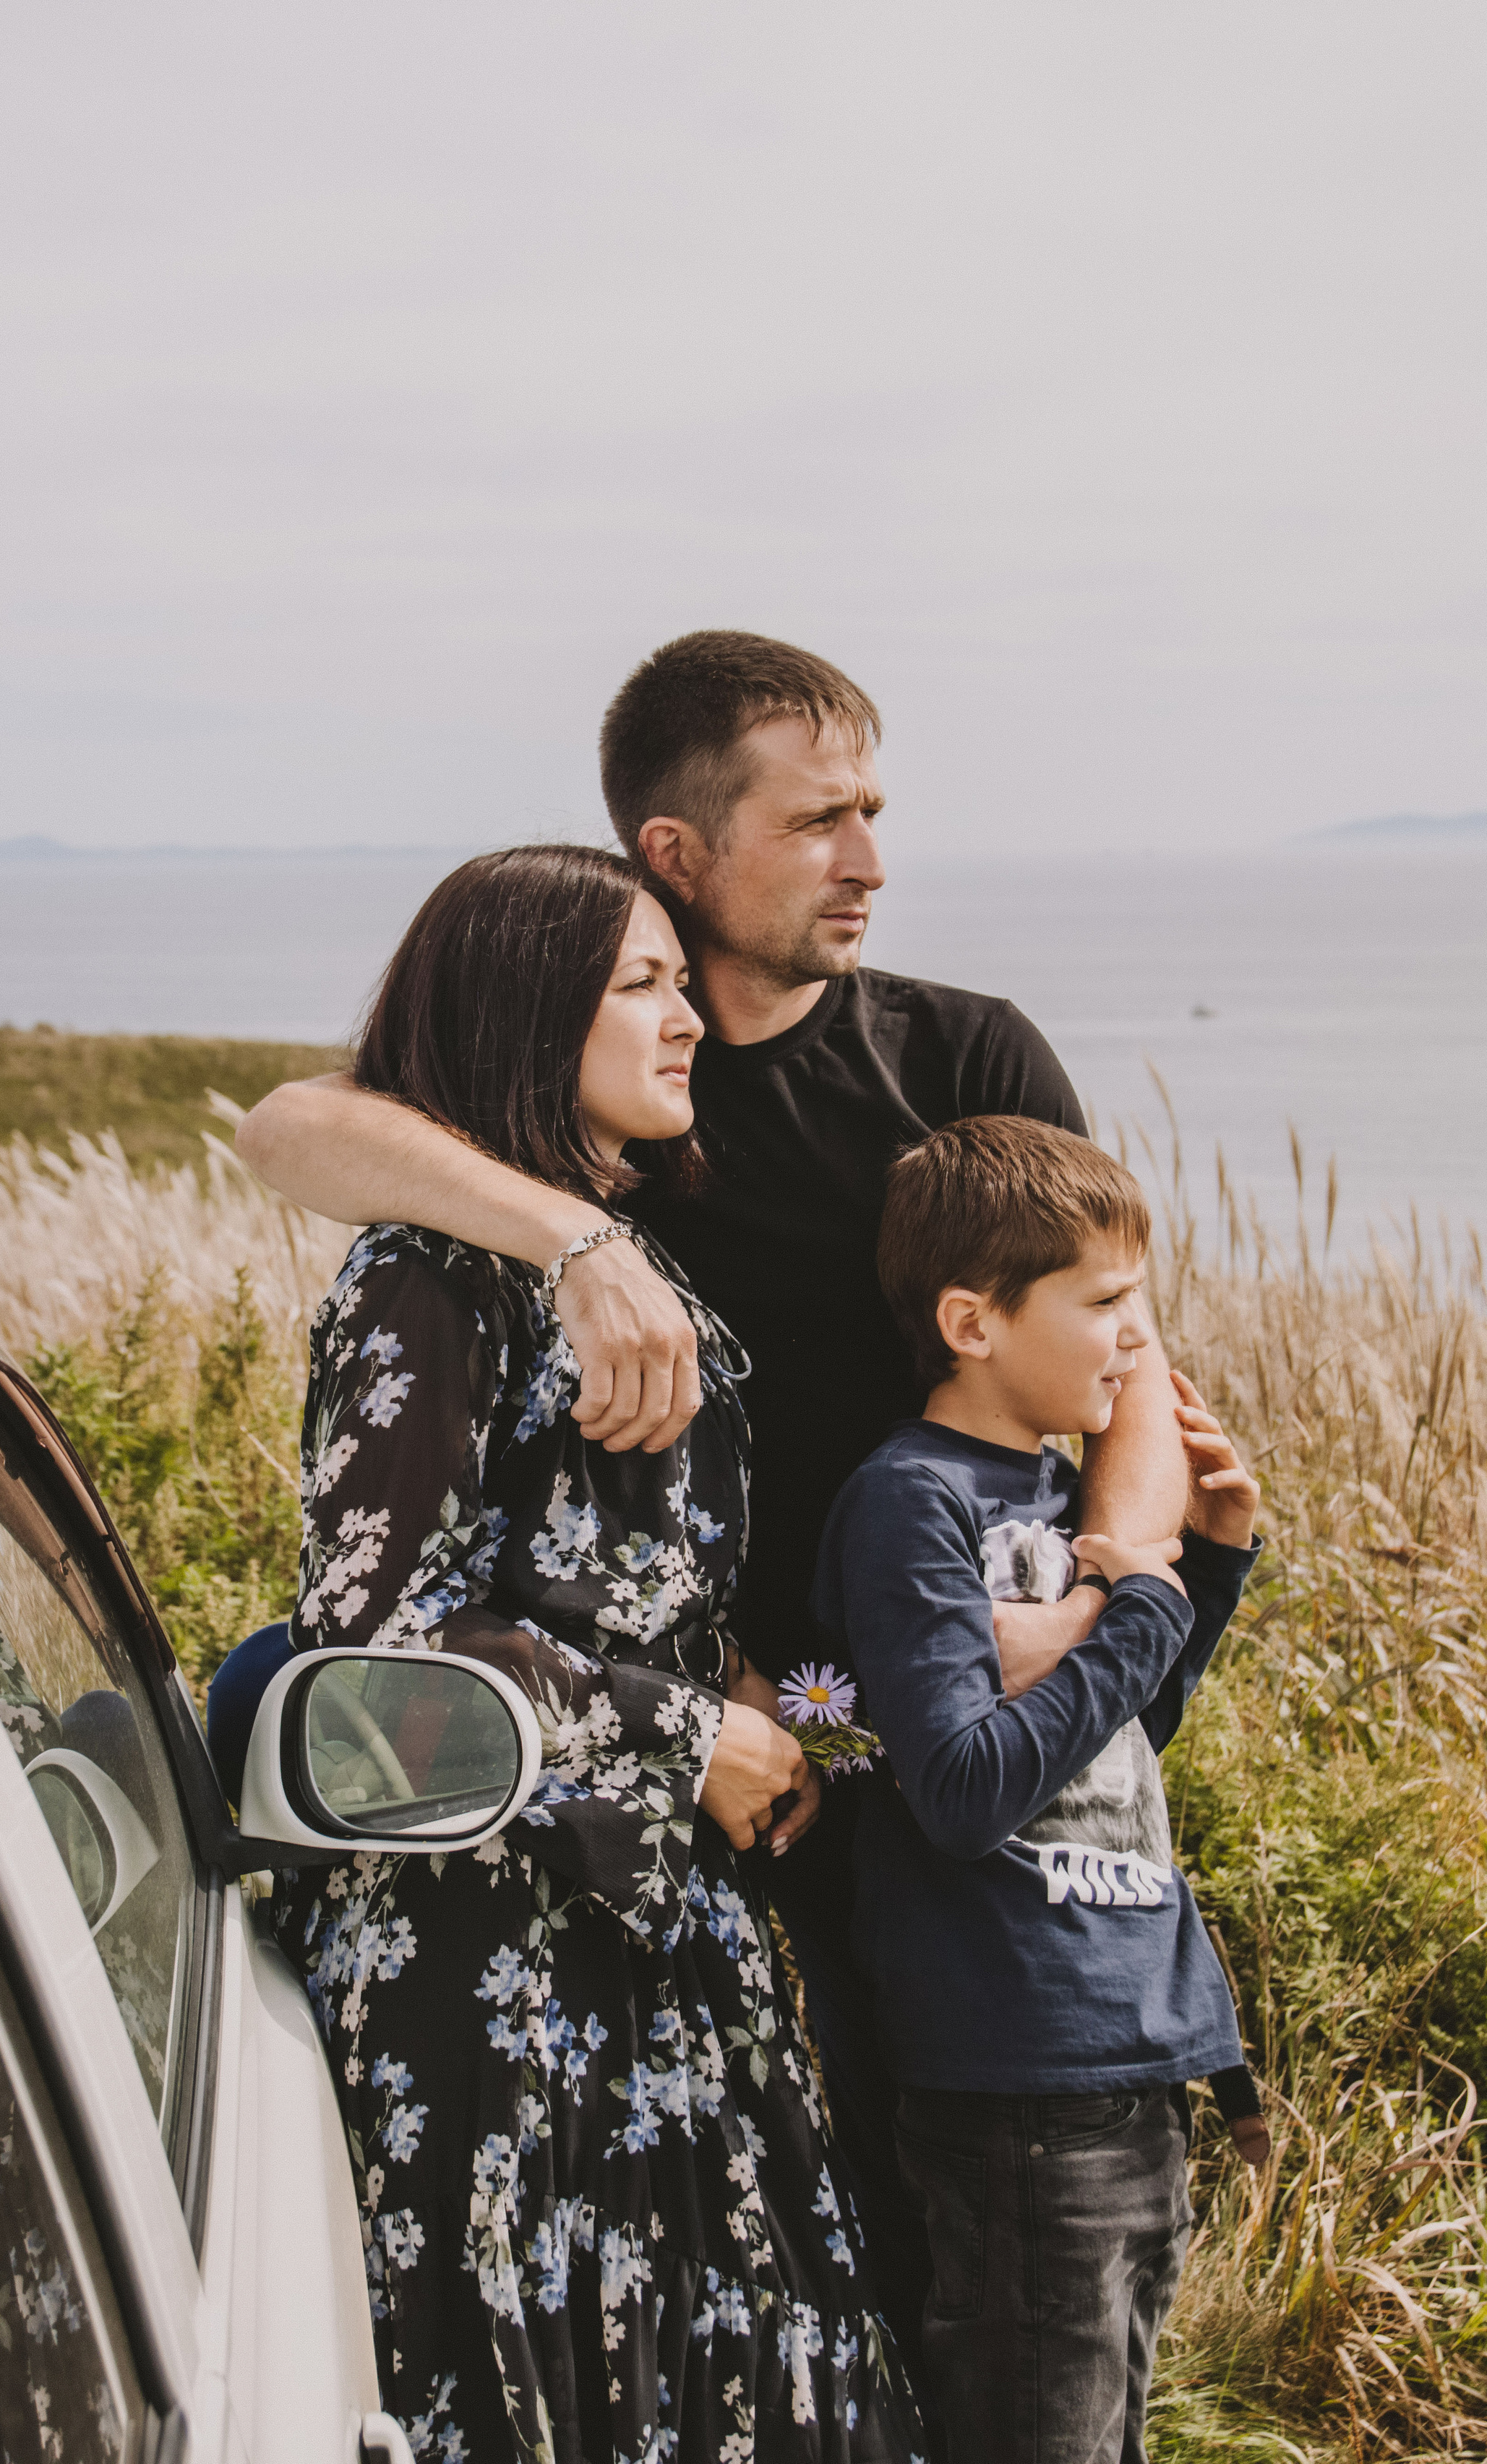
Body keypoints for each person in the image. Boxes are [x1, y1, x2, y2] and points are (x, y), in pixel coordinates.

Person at [236, 629, 1191, 2364]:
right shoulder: (603, 1120)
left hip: (929, 1712)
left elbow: (1131, 1353)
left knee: (1003, 2188)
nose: (870, 862)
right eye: (821, 820)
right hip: (744, 1749)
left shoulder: (963, 1057)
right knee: (791, 2221)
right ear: (676, 856)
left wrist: (1113, 1585)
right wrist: (585, 1241)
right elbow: (286, 1130)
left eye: (873, 812)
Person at [266, 843, 926, 2463]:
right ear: (521, 1009)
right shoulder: (424, 1281)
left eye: (676, 978)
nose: (687, 1013)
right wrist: (677, 1731)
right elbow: (370, 1664)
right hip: (485, 1966)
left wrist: (763, 1705)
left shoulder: (615, 1263)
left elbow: (620, 1594)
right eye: (640, 982)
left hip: (640, 1939)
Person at [810, 1117, 1261, 2464]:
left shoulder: (1067, 1500)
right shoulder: (912, 1502)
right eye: (1107, 1301)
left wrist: (1206, 1574)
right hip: (1015, 2070)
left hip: (1131, 2056)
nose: (1139, 1335)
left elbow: (1111, 1751)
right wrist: (1134, 1601)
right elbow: (957, 1789)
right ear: (974, 1321)